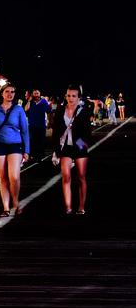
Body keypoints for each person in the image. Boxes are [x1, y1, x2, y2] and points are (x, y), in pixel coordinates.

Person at [0, 84, 29, 217]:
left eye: (12, 92)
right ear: (2, 93)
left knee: (14, 176)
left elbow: (25, 131)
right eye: (7, 91)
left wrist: (27, 150)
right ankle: (6, 207)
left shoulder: (18, 110)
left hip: (15, 144)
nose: (10, 94)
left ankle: (15, 201)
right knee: (3, 177)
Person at [51, 85, 93, 215]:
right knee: (66, 177)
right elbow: (55, 131)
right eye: (68, 95)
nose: (71, 98)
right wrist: (56, 150)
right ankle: (68, 207)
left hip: (79, 145)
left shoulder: (83, 111)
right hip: (65, 147)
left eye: (74, 96)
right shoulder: (60, 110)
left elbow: (87, 132)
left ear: (78, 97)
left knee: (81, 177)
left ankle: (81, 206)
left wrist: (83, 145)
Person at [24, 89, 52, 161]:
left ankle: (40, 155)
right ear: (32, 94)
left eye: (37, 93)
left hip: (41, 125)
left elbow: (48, 111)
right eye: (34, 93)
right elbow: (26, 109)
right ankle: (33, 155)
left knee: (41, 140)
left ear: (40, 93)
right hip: (32, 124)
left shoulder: (43, 101)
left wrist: (49, 121)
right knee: (32, 140)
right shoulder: (31, 102)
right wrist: (29, 101)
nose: (36, 94)